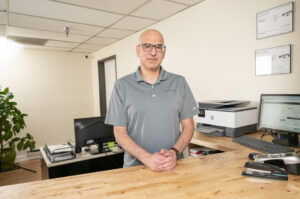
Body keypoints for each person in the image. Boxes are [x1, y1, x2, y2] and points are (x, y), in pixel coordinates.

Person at [105, 29, 198, 171]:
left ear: (164, 52)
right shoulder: (121, 86)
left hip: (174, 167)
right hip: (135, 169)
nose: (153, 52)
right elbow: (119, 133)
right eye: (147, 46)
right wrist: (147, 158)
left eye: (159, 46)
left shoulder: (180, 83)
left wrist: (174, 152)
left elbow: (189, 126)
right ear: (138, 50)